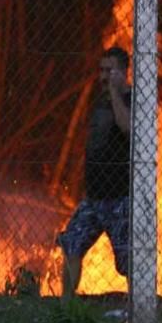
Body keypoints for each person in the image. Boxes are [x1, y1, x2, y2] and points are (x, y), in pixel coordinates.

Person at [58, 46, 132, 301]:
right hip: (94, 197)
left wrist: (115, 92)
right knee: (71, 244)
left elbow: (127, 129)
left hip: (120, 198)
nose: (103, 76)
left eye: (109, 71)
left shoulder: (132, 100)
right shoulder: (99, 102)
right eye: (101, 71)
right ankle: (66, 305)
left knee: (129, 263)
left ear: (123, 73)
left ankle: (139, 310)